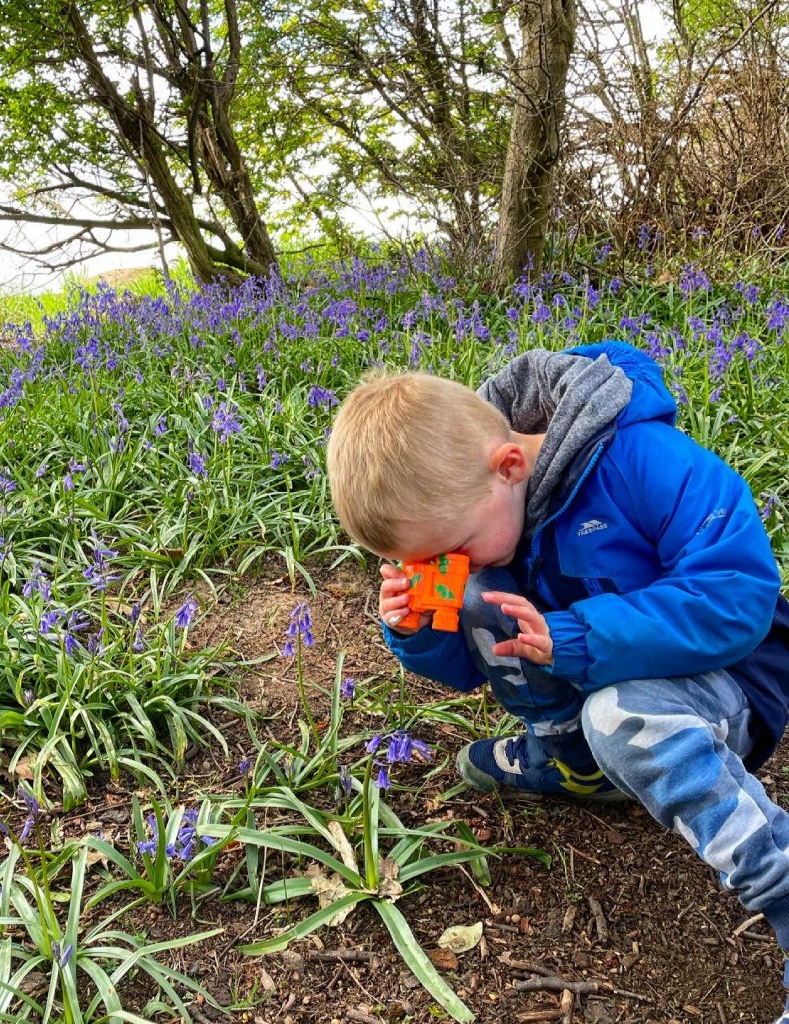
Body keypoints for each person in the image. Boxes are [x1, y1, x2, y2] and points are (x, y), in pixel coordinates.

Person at [326, 341, 789, 1023]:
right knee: (486, 600)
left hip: (730, 676)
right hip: (595, 668)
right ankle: (579, 764)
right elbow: (468, 668)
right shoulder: (482, 498)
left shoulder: (643, 461)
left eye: (444, 553)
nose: (441, 570)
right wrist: (421, 630)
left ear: (509, 463)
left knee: (618, 716)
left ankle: (777, 884)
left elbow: (738, 595)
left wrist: (576, 636)